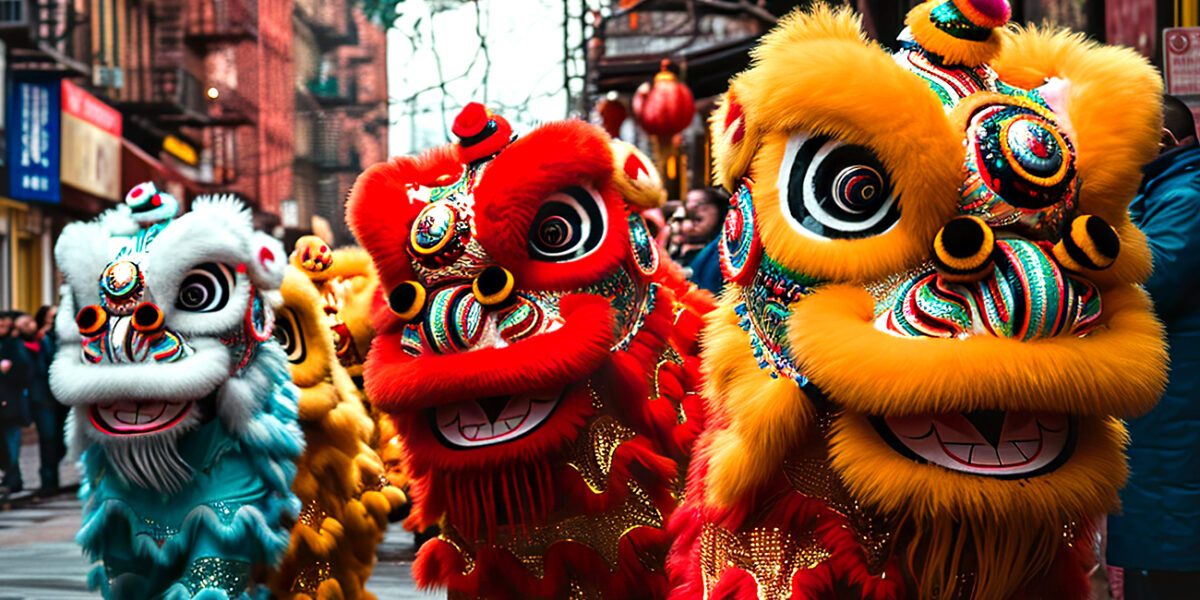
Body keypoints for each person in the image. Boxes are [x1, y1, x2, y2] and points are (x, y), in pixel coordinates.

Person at [1107, 94, 1200, 600]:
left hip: (1178, 418)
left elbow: (1151, 278)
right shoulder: (1166, 188)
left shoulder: (1188, 194)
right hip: (1168, 416)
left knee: (1169, 567)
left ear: (1161, 141)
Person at [10, 311, 61, 494]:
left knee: (51, 439)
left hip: (45, 397)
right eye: (23, 323)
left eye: (30, 321)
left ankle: (49, 480)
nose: (28, 325)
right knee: (14, 439)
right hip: (26, 397)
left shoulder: (45, 341)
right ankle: (15, 478)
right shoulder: (16, 346)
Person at [0, 312, 33, 493]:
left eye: (4, 326)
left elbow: (23, 372)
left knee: (11, 441)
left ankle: (12, 478)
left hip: (11, 403)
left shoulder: (14, 346)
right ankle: (14, 478)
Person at [681, 187, 729, 294]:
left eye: (700, 203)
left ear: (718, 208)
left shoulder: (725, 246)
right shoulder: (698, 248)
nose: (691, 207)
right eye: (687, 202)